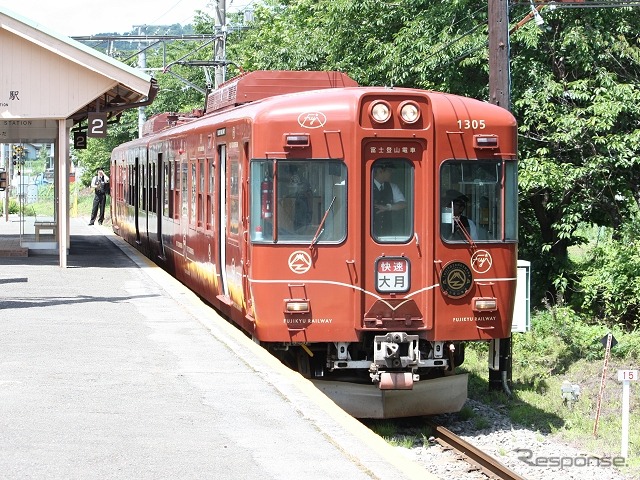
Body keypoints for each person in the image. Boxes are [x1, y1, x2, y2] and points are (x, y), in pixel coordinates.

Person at [372, 163, 406, 236]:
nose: (391, 174)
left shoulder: (392, 186)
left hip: (387, 233)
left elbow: (403, 204)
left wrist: (388, 207)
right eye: (389, 171)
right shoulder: (367, 185)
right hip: (370, 232)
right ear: (380, 171)